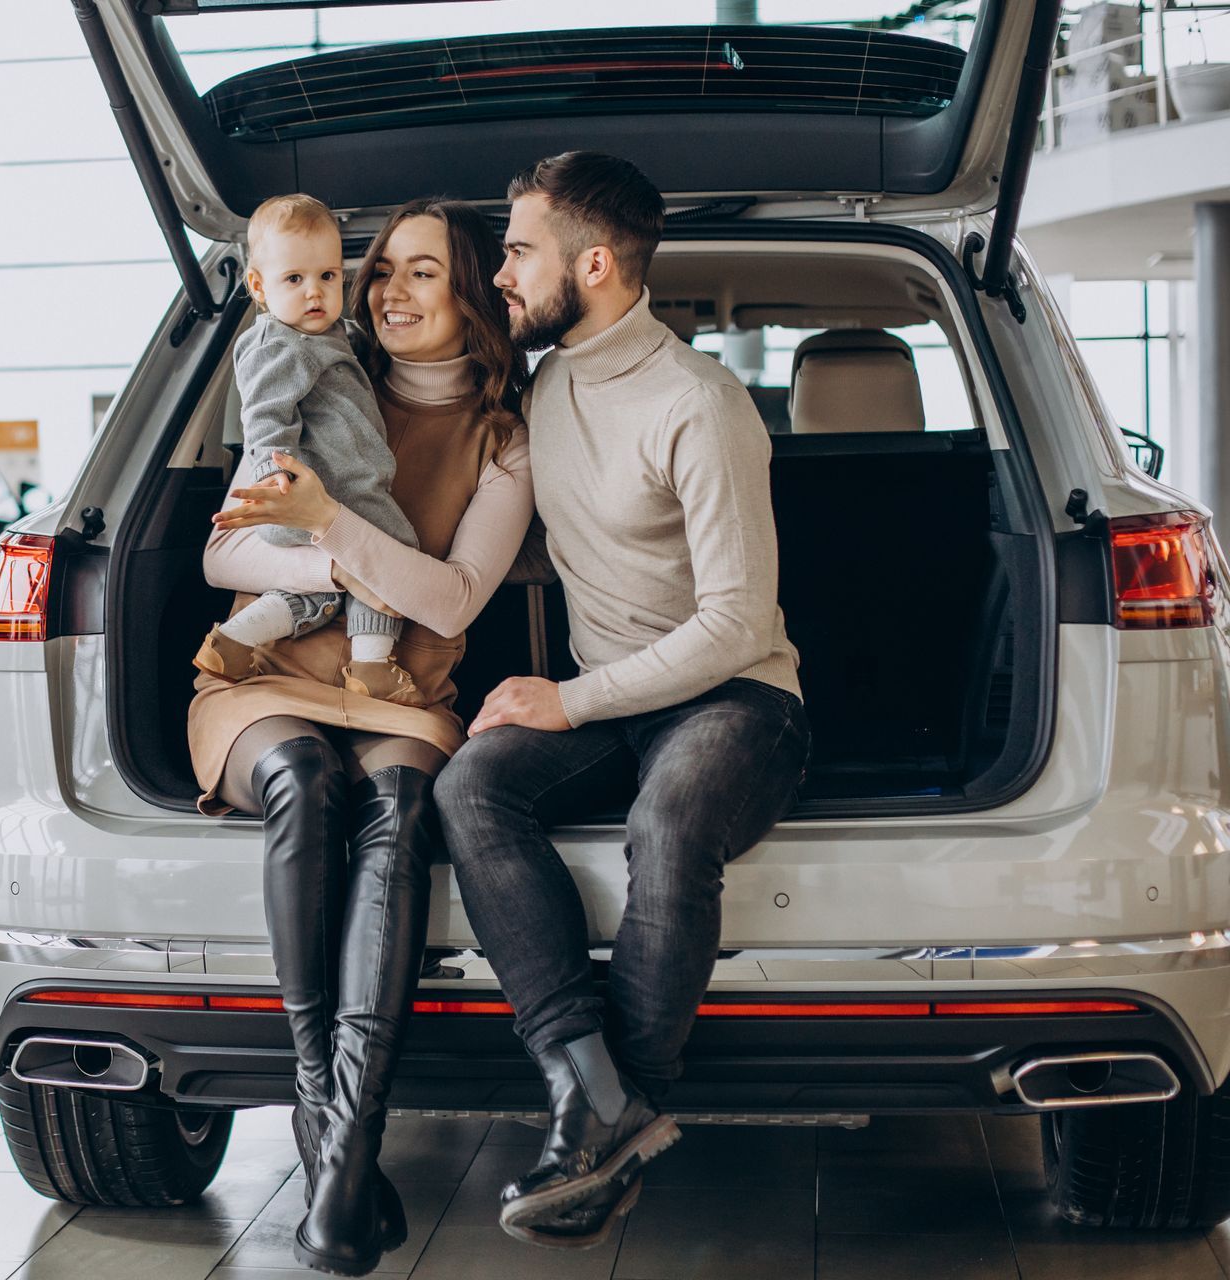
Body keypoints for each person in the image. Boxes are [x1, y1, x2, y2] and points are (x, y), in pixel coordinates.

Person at [435, 152, 811, 1247]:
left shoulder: (701, 403)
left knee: (669, 815)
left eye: (517, 251)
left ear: (592, 264)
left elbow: (738, 623)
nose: (501, 275)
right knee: (471, 786)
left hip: (740, 700)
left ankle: (607, 1111)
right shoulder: (546, 386)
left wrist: (570, 697)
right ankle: (593, 1089)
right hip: (612, 703)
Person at [191, 197, 534, 1276]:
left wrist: (334, 529)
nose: (384, 288)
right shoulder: (316, 369)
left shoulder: (505, 440)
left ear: (473, 293)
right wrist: (312, 562)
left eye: (419, 271)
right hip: (267, 680)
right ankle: (329, 1128)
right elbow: (221, 560)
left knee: (391, 806)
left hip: (401, 685)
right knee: (300, 775)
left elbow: (451, 599)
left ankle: (343, 1154)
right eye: (378, 267)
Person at [193, 193, 424, 705]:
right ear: (258, 287)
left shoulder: (330, 335)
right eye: (294, 280)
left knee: (315, 594)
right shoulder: (280, 344)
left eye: (328, 276)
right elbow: (264, 413)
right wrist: (275, 474)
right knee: (393, 553)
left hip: (319, 496)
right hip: (324, 493)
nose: (315, 293)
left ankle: (235, 638)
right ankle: (371, 665)